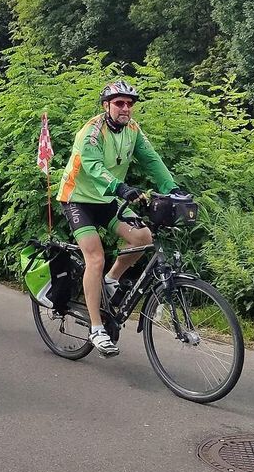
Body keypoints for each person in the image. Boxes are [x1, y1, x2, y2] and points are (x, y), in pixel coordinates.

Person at [56, 80, 183, 357]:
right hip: (78, 198)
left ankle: (112, 280)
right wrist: (121, 188)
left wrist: (171, 188)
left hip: (108, 199)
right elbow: (93, 166)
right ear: (106, 106)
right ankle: (96, 328)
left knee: (143, 237)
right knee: (96, 258)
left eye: (129, 103)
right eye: (119, 103)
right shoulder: (91, 132)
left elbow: (152, 160)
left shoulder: (133, 130)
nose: (125, 108)